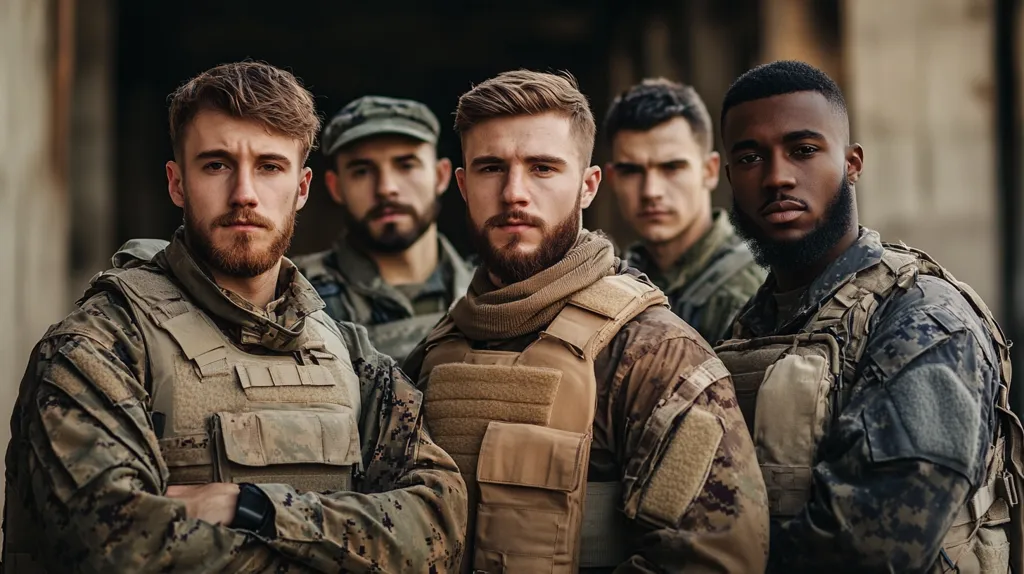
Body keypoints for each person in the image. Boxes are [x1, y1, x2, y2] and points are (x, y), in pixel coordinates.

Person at [2, 62, 467, 573]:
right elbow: (118, 549)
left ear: (303, 187)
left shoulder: (349, 352)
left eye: (269, 166)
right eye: (216, 164)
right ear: (177, 183)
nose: (244, 193)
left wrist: (254, 508)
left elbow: (438, 526)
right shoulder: (99, 346)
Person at [403, 69, 769, 574]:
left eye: (543, 168)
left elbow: (715, 559)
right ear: (463, 185)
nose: (514, 193)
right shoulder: (438, 348)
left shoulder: (653, 353)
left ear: (588, 185)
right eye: (491, 168)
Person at [713, 60, 1024, 573]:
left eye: (804, 150)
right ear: (729, 177)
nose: (777, 176)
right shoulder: (753, 325)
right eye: (750, 157)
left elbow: (875, 548)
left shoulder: (924, 317)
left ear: (853, 163)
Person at [293, 96, 474, 364]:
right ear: (336, 187)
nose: (386, 187)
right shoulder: (293, 296)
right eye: (362, 171)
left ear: (441, 176)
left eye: (406, 165)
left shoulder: (491, 293)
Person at [604, 78, 765, 344]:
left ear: (710, 171)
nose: (650, 191)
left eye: (672, 168)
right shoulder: (617, 280)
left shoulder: (754, 287)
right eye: (631, 171)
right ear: (611, 179)